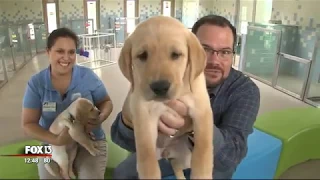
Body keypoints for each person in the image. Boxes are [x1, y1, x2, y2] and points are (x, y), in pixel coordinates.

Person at [110, 15, 260, 179]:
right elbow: (121, 139)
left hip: (214, 163)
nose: (213, 60)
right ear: (192, 51)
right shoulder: (148, 82)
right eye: (205, 49)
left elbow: (232, 155)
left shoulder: (245, 91)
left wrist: (192, 128)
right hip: (163, 153)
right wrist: (129, 119)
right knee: (122, 173)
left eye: (225, 52)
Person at [21, 27, 113, 179]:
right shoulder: (36, 83)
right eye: (60, 51)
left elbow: (106, 102)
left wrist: (99, 118)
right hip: (52, 143)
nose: (66, 57)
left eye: (71, 52)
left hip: (89, 140)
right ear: (48, 52)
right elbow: (28, 124)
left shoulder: (87, 76)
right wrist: (56, 140)